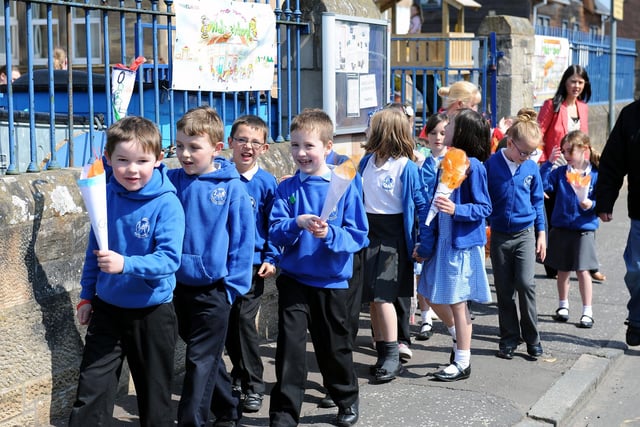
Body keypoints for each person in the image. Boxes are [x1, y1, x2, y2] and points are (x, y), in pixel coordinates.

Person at [69, 116, 185, 427]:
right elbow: (95, 252)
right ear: (108, 159)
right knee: (93, 386)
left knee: (154, 394)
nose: (132, 169)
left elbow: (169, 260)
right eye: (122, 160)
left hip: (151, 312)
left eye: (142, 161)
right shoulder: (105, 194)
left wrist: (126, 264)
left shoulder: (167, 204)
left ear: (159, 160)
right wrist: (86, 296)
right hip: (107, 307)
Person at [268, 108, 368, 427]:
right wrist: (296, 223)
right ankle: (284, 414)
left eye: (309, 146)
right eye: (295, 145)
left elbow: (358, 235)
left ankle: (345, 397)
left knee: (333, 348)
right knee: (290, 350)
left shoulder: (345, 185)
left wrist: (331, 234)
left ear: (327, 147)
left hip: (331, 282)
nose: (300, 153)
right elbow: (275, 228)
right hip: (295, 280)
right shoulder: (287, 189)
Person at [167, 106, 255, 427]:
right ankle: (229, 409)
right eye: (179, 146)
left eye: (194, 147)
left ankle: (191, 421)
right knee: (203, 355)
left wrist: (231, 290)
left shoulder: (231, 188)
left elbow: (244, 242)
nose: (185, 154)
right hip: (178, 288)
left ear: (217, 149)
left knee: (199, 361)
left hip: (215, 291)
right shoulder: (171, 180)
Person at [415, 108, 492, 382]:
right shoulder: (445, 161)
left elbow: (484, 207)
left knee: (458, 303)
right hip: (441, 242)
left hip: (460, 245)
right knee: (430, 293)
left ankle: (462, 361)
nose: (443, 129)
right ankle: (459, 336)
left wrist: (456, 209)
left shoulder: (475, 166)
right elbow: (433, 204)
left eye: (450, 125)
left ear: (461, 133)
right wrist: (424, 242)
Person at [359, 107, 429, 383]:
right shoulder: (366, 163)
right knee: (373, 299)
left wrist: (423, 241)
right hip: (368, 235)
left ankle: (391, 352)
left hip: (393, 238)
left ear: (384, 133)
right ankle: (380, 348)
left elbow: (421, 205)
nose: (367, 131)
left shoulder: (406, 167)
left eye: (371, 127)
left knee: (383, 295)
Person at [222, 115, 279, 413]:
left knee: (244, 321)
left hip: (252, 263)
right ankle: (237, 375)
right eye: (242, 139)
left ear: (265, 148)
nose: (248, 146)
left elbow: (275, 224)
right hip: (220, 263)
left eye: (255, 142)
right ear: (230, 143)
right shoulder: (219, 176)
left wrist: (271, 257)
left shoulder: (267, 183)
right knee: (228, 323)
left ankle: (254, 385)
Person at [485, 108, 546, 360]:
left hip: (524, 233)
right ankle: (509, 338)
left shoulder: (531, 168)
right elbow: (483, 199)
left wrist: (542, 233)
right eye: (524, 152)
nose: (527, 157)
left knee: (525, 284)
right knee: (504, 289)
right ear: (510, 143)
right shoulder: (491, 165)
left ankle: (532, 338)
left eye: (532, 153)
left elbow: (538, 203)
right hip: (499, 234)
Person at [537, 65, 604, 282]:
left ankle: (588, 263)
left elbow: (584, 139)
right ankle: (553, 262)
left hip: (578, 168)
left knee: (584, 212)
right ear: (565, 82)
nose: (576, 86)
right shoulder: (552, 106)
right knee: (555, 218)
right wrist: (542, 167)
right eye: (573, 81)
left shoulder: (583, 107)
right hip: (555, 168)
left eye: (580, 82)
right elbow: (538, 137)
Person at [540, 130, 600, 329]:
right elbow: (543, 184)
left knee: (583, 270)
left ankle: (587, 310)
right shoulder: (561, 173)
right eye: (563, 152)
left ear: (583, 150)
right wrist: (548, 163)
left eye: (569, 152)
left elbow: (602, 200)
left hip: (584, 229)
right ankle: (563, 305)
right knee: (563, 269)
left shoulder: (595, 174)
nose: (565, 156)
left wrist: (590, 204)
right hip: (562, 227)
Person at [595, 99, 640, 346]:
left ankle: (637, 321)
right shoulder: (631, 115)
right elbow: (612, 162)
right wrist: (604, 200)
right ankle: (638, 317)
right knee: (637, 270)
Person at [416, 112, 449, 341]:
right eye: (434, 133)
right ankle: (425, 315)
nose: (438, 137)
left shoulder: (455, 161)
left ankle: (451, 317)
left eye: (443, 133)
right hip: (425, 222)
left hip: (446, 223)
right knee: (421, 272)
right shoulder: (423, 162)